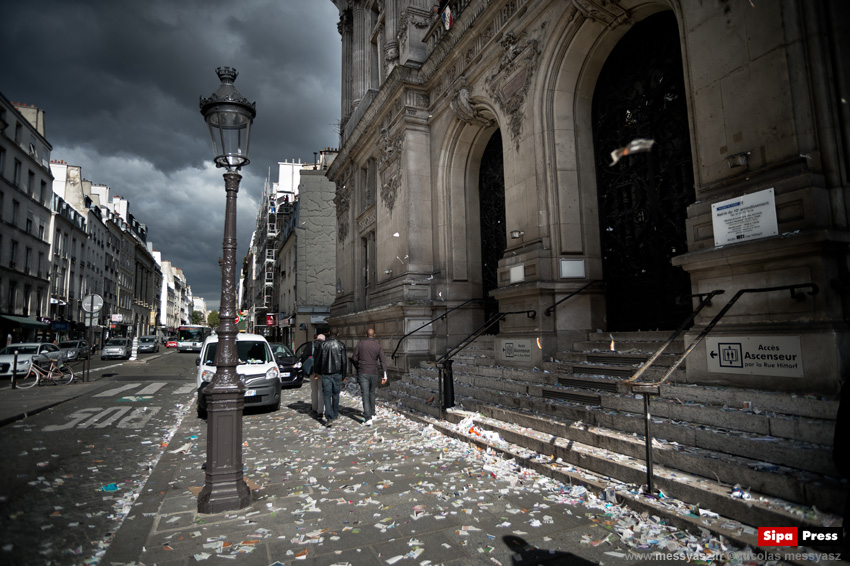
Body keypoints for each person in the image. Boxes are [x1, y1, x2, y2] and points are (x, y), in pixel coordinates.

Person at [352, 328, 388, 426]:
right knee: (372, 393)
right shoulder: (378, 346)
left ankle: (368, 417)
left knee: (365, 394)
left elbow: (354, 358)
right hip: (374, 372)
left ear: (365, 334)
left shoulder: (360, 344)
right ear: (374, 335)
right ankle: (372, 413)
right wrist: (385, 375)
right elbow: (382, 360)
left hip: (363, 371)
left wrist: (358, 366)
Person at [314, 329, 346, 428]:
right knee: (336, 394)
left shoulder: (323, 345)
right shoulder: (341, 345)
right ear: (338, 334)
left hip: (326, 373)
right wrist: (344, 375)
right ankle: (335, 414)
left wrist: (316, 372)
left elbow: (318, 360)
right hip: (337, 373)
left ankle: (329, 417)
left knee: (327, 395)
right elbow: (344, 361)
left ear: (329, 333)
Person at [305, 334, 325, 417]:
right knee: (321, 391)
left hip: (313, 371)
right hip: (321, 371)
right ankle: (321, 410)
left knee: (314, 390)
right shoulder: (325, 346)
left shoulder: (310, 345)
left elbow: (303, 356)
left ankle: (314, 407)